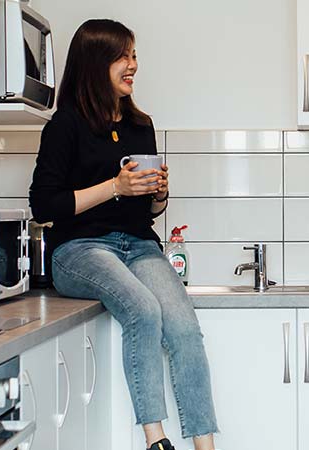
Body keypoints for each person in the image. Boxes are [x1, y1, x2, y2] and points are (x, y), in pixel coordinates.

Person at [28, 19, 217, 450]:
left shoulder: (139, 124)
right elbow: (44, 205)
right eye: (124, 56)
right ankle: (156, 440)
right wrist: (115, 185)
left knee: (185, 328)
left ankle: (206, 445)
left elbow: (144, 211)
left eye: (134, 55)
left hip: (138, 245)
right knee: (142, 309)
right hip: (79, 249)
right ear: (96, 62)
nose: (133, 65)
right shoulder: (65, 126)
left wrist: (158, 195)